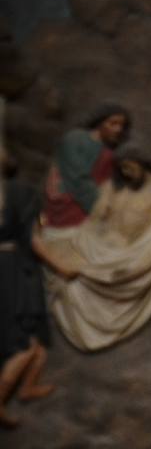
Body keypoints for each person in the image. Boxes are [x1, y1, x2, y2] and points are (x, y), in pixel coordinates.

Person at [33, 148, 151, 352]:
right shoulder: (112, 187)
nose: (126, 172)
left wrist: (135, 257)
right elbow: (94, 220)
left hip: (127, 253)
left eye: (130, 167)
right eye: (122, 168)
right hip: (99, 244)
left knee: (80, 278)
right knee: (60, 258)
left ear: (142, 163)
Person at [1, 156, 54, 426]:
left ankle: (28, 386)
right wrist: (65, 267)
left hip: (13, 268)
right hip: (13, 270)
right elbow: (34, 238)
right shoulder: (21, 193)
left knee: (37, 340)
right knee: (24, 344)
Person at [39, 102, 128, 229]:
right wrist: (100, 208)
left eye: (121, 126)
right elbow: (77, 177)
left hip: (90, 200)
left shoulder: (108, 153)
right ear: (100, 122)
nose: (118, 129)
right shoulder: (75, 139)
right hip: (68, 199)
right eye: (113, 123)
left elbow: (106, 184)